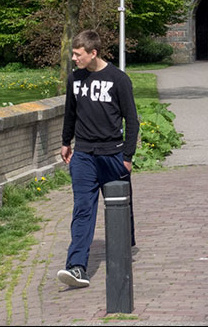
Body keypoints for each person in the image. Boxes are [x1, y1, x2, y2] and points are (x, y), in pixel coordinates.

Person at [57, 29, 140, 289]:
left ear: (93, 53)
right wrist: (65, 142)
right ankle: (77, 267)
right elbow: (70, 113)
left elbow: (132, 121)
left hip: (113, 155)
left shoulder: (118, 79)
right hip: (83, 156)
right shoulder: (75, 79)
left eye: (78, 54)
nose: (74, 59)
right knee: (83, 209)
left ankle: (123, 251)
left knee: (121, 208)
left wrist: (126, 157)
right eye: (73, 54)